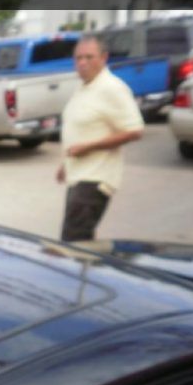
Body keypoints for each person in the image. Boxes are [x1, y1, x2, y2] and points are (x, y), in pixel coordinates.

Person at [57, 35, 144, 242]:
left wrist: (89, 147)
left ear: (104, 58)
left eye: (89, 57)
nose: (82, 63)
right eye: (78, 58)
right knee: (80, 242)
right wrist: (65, 164)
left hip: (95, 179)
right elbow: (82, 128)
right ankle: (86, 271)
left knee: (73, 242)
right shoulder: (86, 86)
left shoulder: (112, 87)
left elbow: (135, 130)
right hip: (78, 175)